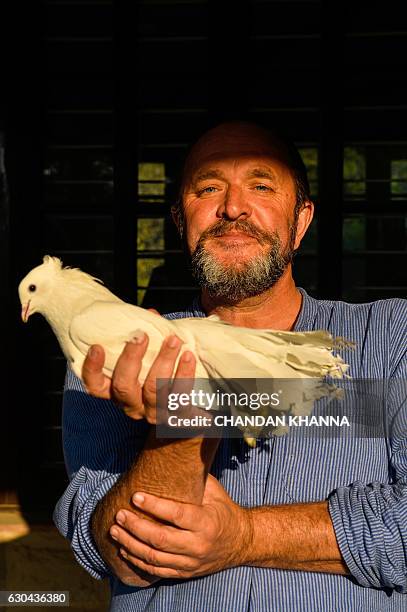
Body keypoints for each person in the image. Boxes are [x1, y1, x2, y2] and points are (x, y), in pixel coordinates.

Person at [54, 121, 407, 611]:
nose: (233, 208)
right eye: (208, 188)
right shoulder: (117, 354)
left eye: (261, 186)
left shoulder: (388, 339)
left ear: (300, 221)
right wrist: (181, 424)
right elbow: (122, 553)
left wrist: (247, 534)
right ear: (180, 221)